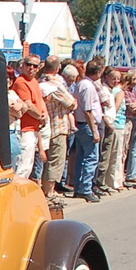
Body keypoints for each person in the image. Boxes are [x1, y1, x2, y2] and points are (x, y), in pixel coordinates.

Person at [69, 59, 105, 202]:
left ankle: (79, 187)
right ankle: (85, 188)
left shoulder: (82, 84)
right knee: (90, 158)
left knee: (81, 158)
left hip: (82, 124)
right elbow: (88, 110)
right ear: (98, 72)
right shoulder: (88, 86)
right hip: (87, 125)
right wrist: (94, 129)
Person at [39, 63, 76, 203]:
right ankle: (49, 191)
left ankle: (47, 189)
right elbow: (71, 102)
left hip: (46, 128)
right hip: (57, 126)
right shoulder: (54, 86)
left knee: (47, 161)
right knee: (56, 160)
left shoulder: (39, 82)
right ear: (57, 68)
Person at [10, 56, 48, 179]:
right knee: (22, 166)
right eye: (28, 64)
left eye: (35, 66)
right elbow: (28, 105)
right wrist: (40, 117)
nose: (31, 68)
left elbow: (39, 100)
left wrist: (44, 114)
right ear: (23, 65)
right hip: (25, 129)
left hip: (34, 128)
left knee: (28, 165)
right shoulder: (21, 81)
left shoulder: (34, 81)